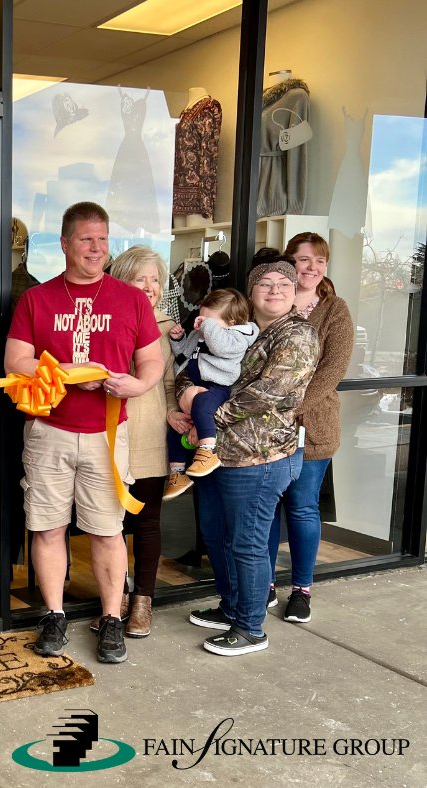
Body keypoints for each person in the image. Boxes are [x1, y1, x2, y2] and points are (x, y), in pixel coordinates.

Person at [5, 202, 163, 664]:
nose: (95, 248)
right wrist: (70, 371)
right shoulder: (37, 299)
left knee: (107, 530)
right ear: (65, 244)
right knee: (48, 527)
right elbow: (15, 362)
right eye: (85, 239)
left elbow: (151, 361)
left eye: (102, 239)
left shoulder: (130, 299)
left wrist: (138, 383)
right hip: (48, 431)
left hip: (108, 433)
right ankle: (53, 615)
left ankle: (111, 618)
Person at [186, 255, 318, 656]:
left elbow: (270, 391)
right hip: (220, 455)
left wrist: (211, 416)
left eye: (283, 283)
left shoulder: (296, 336)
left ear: (294, 292)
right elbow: (193, 367)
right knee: (219, 538)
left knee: (247, 544)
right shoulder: (246, 332)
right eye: (265, 284)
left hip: (259, 459)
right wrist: (185, 400)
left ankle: (249, 628)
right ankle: (232, 608)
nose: (274, 289)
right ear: (252, 292)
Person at [267, 233, 354, 620]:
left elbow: (332, 369)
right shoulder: (274, 302)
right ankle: (264, 583)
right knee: (265, 509)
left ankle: (301, 589)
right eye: (303, 260)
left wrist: (291, 407)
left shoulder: (335, 310)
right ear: (289, 263)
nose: (312, 268)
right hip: (266, 429)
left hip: (313, 426)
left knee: (302, 508)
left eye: (319, 260)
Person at [105, 245, 181, 637]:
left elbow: (169, 384)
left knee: (148, 523)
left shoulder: (169, 328)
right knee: (110, 523)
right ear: (122, 280)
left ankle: (142, 603)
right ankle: (114, 595)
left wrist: (174, 414)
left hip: (151, 433)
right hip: (109, 433)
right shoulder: (105, 320)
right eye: (141, 278)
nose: (150, 287)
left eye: (156, 279)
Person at [164, 289, 258, 498]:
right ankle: (178, 473)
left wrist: (208, 327)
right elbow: (184, 358)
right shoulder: (202, 334)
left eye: (208, 320)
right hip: (195, 384)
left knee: (203, 404)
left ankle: (207, 451)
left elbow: (221, 347)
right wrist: (178, 342)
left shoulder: (236, 337)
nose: (201, 323)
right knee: (177, 429)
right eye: (201, 317)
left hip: (217, 387)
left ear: (232, 321)